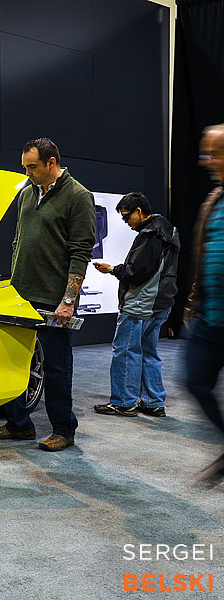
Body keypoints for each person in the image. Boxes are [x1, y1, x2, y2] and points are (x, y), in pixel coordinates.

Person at [0, 138, 96, 451]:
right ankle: (18, 424)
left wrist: (68, 300)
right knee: (16, 362)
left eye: (32, 167)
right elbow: (18, 242)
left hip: (53, 299)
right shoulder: (26, 195)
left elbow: (80, 252)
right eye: (25, 167)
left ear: (51, 163)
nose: (27, 173)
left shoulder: (78, 196)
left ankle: (64, 429)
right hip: (21, 297)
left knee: (56, 366)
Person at [92, 192, 179, 417]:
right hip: (160, 302)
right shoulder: (167, 230)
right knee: (149, 351)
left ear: (139, 211)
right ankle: (153, 401)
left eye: (127, 217)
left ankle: (123, 401)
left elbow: (136, 271)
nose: (126, 222)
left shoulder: (151, 234)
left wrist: (113, 269)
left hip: (142, 303)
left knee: (126, 350)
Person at [183, 123, 224, 483]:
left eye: (212, 152)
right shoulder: (214, 200)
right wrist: (192, 305)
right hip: (211, 319)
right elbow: (204, 256)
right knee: (195, 381)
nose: (204, 161)